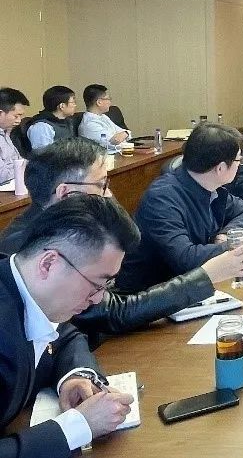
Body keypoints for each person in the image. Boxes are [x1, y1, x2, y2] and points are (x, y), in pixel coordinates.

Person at [0, 138, 243, 347]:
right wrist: (207, 276)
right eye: (101, 185)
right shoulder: (30, 249)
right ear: (66, 193)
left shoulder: (68, 225)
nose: (109, 194)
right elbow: (112, 312)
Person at [0, 194, 138, 458]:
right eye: (97, 284)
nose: (99, 298)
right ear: (48, 263)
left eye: (107, 286)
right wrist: (78, 426)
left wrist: (75, 377)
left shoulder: (25, 288)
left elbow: (64, 335)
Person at [115, 123, 243, 293]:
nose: (241, 165)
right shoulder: (162, 199)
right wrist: (241, 244)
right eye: (239, 160)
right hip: (150, 296)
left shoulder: (210, 186)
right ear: (220, 168)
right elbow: (186, 259)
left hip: (190, 287)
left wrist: (227, 234)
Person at [77, 84, 130, 148]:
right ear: (99, 102)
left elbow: (127, 133)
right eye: (108, 99)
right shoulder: (89, 124)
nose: (110, 102)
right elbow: (112, 144)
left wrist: (125, 133)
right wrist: (124, 135)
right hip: (108, 153)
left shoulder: (103, 117)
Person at [27, 86, 78, 151]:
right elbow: (43, 154)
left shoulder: (67, 121)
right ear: (62, 106)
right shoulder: (42, 126)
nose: (75, 105)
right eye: (73, 102)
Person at [0, 87, 29, 182]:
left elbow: (19, 161)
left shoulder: (6, 132)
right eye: (16, 116)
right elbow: (2, 176)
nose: (19, 121)